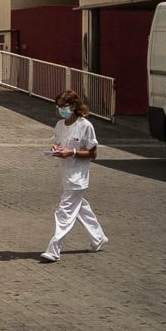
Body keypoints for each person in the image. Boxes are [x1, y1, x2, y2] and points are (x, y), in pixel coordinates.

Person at [40, 89, 107, 262]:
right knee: (80, 208)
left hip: (78, 177)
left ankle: (54, 250)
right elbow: (58, 143)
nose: (61, 109)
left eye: (64, 106)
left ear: (74, 105)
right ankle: (98, 237)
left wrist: (73, 152)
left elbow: (93, 153)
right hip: (65, 174)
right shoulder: (60, 125)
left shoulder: (85, 126)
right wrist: (56, 149)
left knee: (64, 213)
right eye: (59, 106)